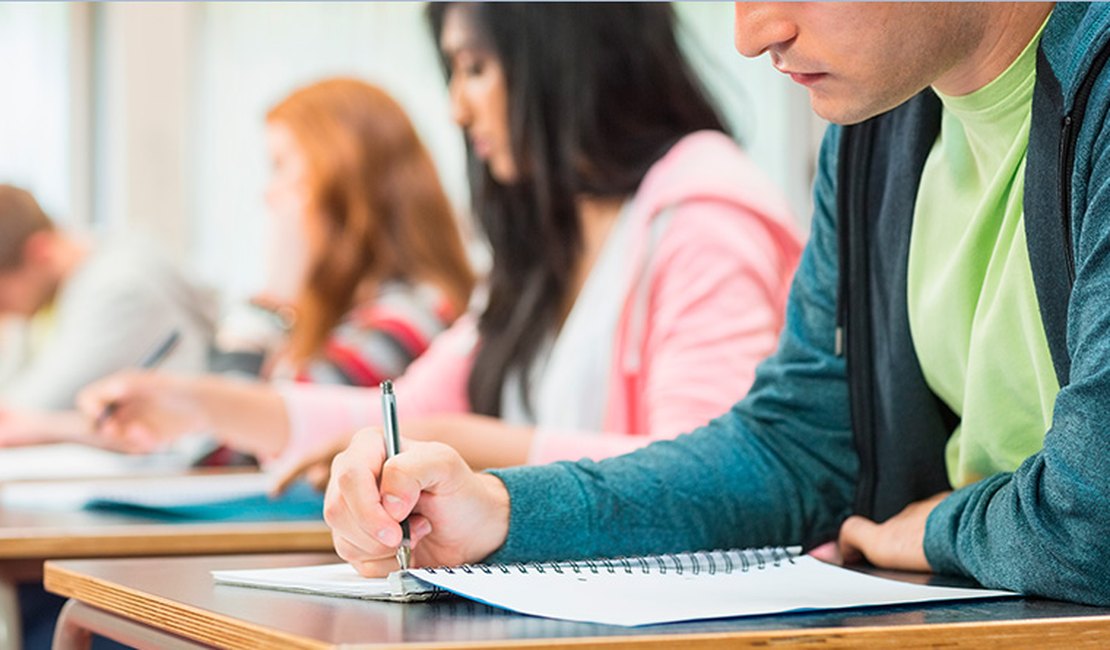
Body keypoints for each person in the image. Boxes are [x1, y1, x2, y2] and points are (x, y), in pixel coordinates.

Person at [316, 2, 1110, 608]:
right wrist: (502, 511)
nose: (752, 31)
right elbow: (797, 452)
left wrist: (934, 530)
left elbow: (1096, 519)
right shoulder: (876, 131)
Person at [78, 3, 801, 471]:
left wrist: (471, 446)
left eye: (477, 69)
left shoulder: (704, 217)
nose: (458, 107)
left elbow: (707, 476)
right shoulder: (550, 241)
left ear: (567, 59)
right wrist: (198, 403)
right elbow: (405, 413)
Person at [211, 78, 475, 388]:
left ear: (341, 179)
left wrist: (271, 301)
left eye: (280, 166)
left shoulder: (411, 318)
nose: (268, 194)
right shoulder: (353, 313)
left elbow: (237, 431)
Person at [0, 184, 215, 446]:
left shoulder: (117, 288)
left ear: (39, 251)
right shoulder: (47, 296)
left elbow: (25, 410)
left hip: (183, 465)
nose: (4, 312)